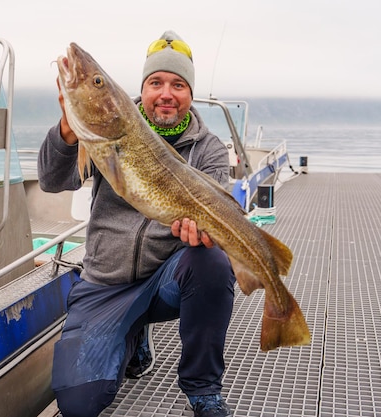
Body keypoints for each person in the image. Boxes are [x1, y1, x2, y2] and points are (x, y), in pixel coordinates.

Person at [38, 30, 236, 417]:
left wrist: (203, 237)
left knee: (212, 262)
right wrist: (68, 127)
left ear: (190, 94)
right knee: (79, 405)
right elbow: (51, 180)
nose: (167, 93)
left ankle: (203, 389)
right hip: (105, 282)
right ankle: (132, 336)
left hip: (166, 279)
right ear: (142, 89)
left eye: (178, 84)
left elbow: (216, 217)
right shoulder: (108, 127)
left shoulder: (208, 149)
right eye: (156, 83)